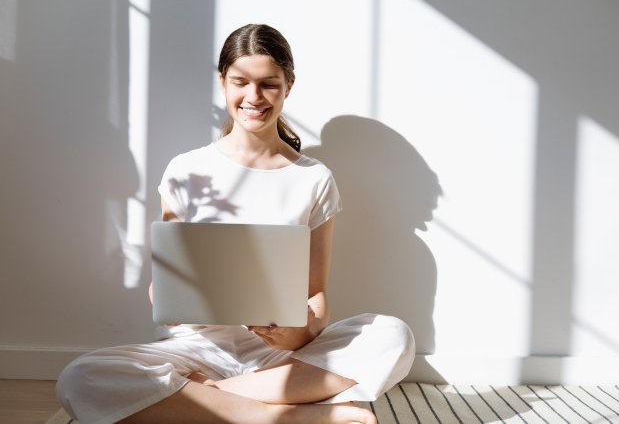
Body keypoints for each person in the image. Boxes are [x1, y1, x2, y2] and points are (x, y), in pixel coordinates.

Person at [56, 24, 415, 424]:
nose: (253, 97)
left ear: (288, 85)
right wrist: (167, 298)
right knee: (82, 377)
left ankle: (212, 397)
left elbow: (316, 297)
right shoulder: (186, 169)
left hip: (278, 356)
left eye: (268, 84)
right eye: (240, 82)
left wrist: (296, 333)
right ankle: (294, 415)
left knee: (393, 335)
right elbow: (166, 282)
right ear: (222, 82)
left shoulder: (314, 178)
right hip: (194, 348)